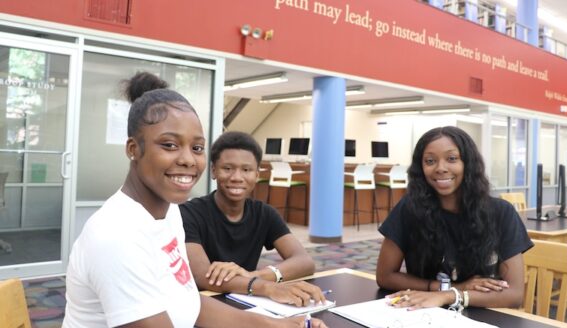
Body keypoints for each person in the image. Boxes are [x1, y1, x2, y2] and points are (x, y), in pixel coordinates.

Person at [63, 72, 326, 327]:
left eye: (197, 148)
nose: (188, 159)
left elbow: (190, 302)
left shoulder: (171, 213)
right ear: (134, 149)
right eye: (169, 145)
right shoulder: (117, 235)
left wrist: (275, 325)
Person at [376, 126, 533, 310]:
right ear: (421, 167)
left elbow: (514, 295)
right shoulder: (409, 209)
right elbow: (384, 276)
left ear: (468, 163)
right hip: (424, 314)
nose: (440, 168)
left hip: (482, 316)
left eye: (452, 159)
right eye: (430, 161)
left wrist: (449, 296)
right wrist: (451, 288)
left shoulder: (501, 213)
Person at [180, 131, 325, 307]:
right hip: (204, 305)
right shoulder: (189, 213)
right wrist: (267, 288)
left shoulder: (265, 214)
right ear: (213, 171)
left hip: (247, 298)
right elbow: (202, 276)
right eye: (227, 168)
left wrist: (254, 276)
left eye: (246, 170)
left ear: (256, 175)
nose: (236, 177)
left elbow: (305, 262)